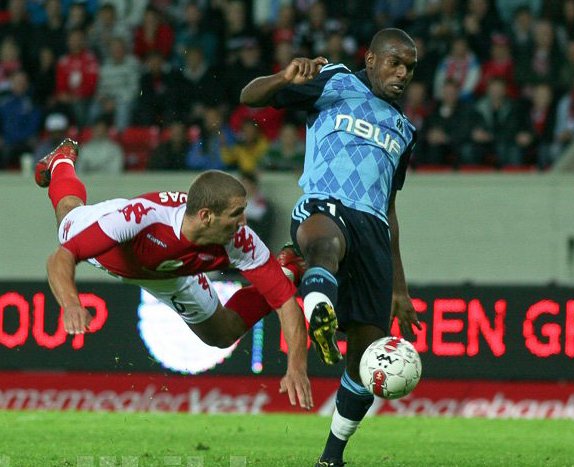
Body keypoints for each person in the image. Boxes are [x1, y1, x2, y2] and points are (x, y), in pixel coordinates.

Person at [240, 28, 422, 467]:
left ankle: (331, 457)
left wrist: (399, 286)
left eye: (410, 68)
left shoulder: (404, 130)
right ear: (372, 58)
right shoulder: (334, 80)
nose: (402, 74)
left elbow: (391, 209)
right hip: (326, 202)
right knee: (324, 240)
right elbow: (250, 97)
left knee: (365, 357)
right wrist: (285, 78)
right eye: (395, 63)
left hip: (375, 230)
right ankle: (318, 301)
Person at [33, 138, 313, 410]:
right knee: (67, 217)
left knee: (222, 335)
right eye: (236, 213)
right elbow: (60, 259)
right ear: (205, 216)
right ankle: (61, 162)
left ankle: (288, 269)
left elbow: (286, 304)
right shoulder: (141, 219)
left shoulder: (239, 241)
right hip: (114, 252)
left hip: (171, 275)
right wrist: (71, 304)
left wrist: (297, 368)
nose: (244, 221)